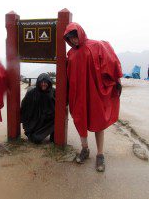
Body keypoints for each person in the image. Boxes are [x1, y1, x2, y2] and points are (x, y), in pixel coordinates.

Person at [64, 23, 123, 172]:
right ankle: (85, 149)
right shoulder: (70, 54)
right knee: (79, 119)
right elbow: (67, 75)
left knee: (98, 121)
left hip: (95, 92)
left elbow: (111, 62)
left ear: (80, 33)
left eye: (75, 36)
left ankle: (100, 154)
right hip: (78, 94)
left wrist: (117, 80)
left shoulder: (96, 45)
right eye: (70, 38)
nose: (74, 40)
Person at [21, 73, 55, 144]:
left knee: (57, 120)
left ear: (49, 83)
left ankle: (53, 137)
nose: (43, 84)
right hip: (35, 120)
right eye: (41, 82)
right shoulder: (31, 93)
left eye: (45, 82)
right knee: (35, 139)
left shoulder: (54, 92)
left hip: (48, 119)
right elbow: (24, 106)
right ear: (38, 83)